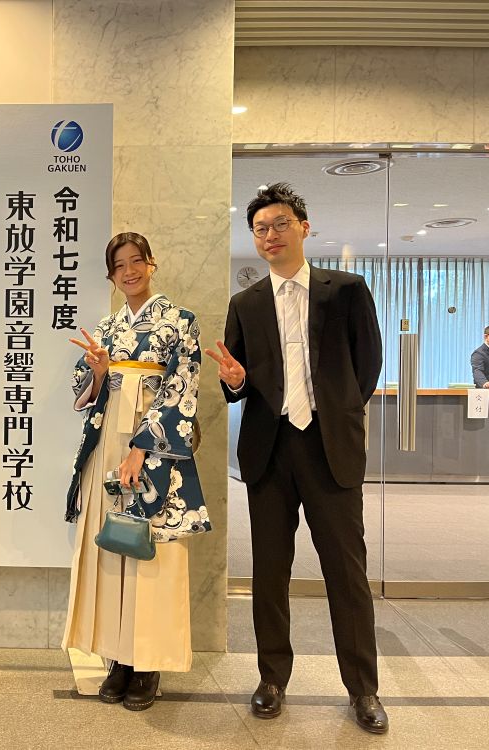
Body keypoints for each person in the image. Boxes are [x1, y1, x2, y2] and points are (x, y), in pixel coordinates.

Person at [206, 183, 388, 734]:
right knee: (269, 572)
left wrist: (338, 414)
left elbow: (368, 365)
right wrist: (233, 382)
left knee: (346, 573)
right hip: (270, 452)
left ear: (304, 227)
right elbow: (235, 382)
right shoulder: (245, 304)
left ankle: (363, 689)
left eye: (280, 224)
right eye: (260, 228)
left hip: (330, 449)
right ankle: (271, 680)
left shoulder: (346, 290)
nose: (270, 235)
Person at [62, 232, 210, 712]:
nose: (128, 272)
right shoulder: (107, 328)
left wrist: (141, 450)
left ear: (151, 263)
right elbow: (84, 391)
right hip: (107, 443)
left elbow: (182, 389)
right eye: (119, 265)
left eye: (136, 261)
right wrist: (100, 371)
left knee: (151, 554)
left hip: (156, 449)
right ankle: (118, 659)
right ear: (111, 275)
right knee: (113, 547)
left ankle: (148, 663)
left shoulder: (181, 321)